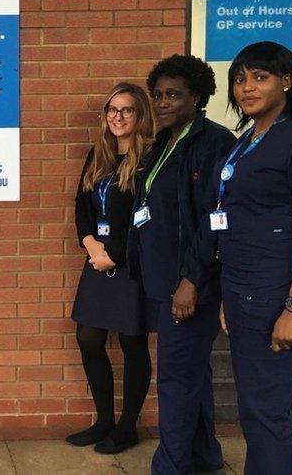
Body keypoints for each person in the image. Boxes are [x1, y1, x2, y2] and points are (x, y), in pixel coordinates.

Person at [216, 41, 292, 474]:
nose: (246, 87)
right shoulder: (247, 139)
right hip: (245, 287)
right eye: (239, 78)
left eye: (260, 77)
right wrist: (229, 295)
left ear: (287, 81)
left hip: (279, 291)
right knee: (254, 401)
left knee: (265, 406)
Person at [133, 55, 236, 474]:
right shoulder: (165, 142)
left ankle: (170, 467)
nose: (162, 102)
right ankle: (205, 457)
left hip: (189, 284)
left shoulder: (212, 143)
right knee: (192, 373)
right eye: (157, 94)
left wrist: (191, 280)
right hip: (163, 281)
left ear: (198, 96)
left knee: (176, 378)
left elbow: (215, 219)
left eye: (173, 95)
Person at [66, 83, 154, 454]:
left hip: (130, 263)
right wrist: (89, 243)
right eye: (111, 110)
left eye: (127, 110)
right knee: (89, 338)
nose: (117, 117)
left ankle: (126, 427)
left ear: (140, 115)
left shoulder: (149, 158)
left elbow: (148, 218)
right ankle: (103, 420)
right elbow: (82, 205)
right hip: (96, 257)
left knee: (133, 343)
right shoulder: (98, 154)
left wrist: (114, 254)